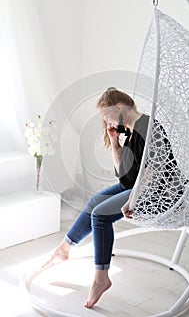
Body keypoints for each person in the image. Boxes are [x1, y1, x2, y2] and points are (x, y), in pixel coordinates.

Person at [43, 87, 150, 308]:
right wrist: (114, 142)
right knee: (94, 202)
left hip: (153, 190)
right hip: (132, 186)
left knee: (100, 215)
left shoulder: (147, 126)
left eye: (106, 115)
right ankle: (64, 248)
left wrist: (133, 199)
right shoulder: (130, 130)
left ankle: (101, 278)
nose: (106, 121)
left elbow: (154, 171)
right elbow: (122, 172)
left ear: (119, 107)